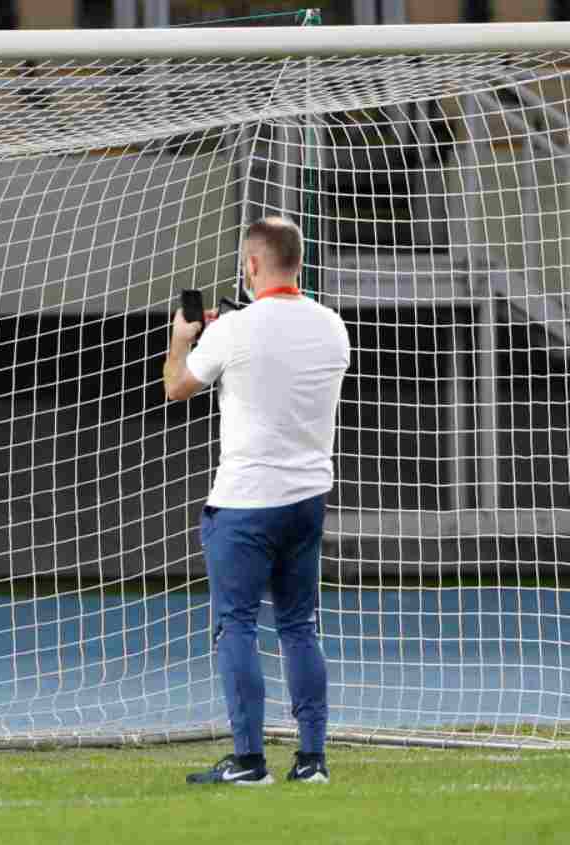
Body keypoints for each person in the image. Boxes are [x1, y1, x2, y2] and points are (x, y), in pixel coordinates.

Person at [163, 216, 350, 786]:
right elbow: (281, 357)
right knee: (300, 627)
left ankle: (248, 762)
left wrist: (183, 339)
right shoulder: (331, 325)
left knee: (236, 627)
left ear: (250, 265)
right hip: (308, 497)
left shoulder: (231, 332)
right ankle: (311, 760)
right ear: (298, 261)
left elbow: (176, 387)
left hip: (245, 502)